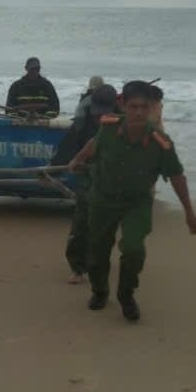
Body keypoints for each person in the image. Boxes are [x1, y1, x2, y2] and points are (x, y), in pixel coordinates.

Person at [68, 80, 196, 322]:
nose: (139, 112)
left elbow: (176, 176)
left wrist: (189, 213)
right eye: (133, 106)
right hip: (103, 199)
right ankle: (99, 291)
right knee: (97, 252)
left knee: (133, 248)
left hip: (136, 203)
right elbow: (94, 144)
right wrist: (78, 159)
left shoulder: (161, 142)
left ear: (151, 108)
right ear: (122, 105)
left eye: (144, 107)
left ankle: (126, 294)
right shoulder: (108, 127)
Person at [51, 84, 118, 284]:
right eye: (99, 112)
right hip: (88, 177)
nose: (101, 117)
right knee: (80, 225)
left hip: (114, 180)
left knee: (104, 228)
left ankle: (98, 264)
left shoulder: (126, 122)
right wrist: (57, 165)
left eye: (106, 112)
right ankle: (78, 268)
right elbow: (69, 145)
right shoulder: (83, 121)